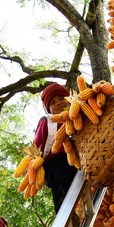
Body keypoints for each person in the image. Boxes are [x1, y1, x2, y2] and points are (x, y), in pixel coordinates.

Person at [33, 82, 78, 212]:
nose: (58, 103)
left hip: (81, 160)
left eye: (61, 98)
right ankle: (67, 214)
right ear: (49, 110)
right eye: (52, 102)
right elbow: (38, 147)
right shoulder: (47, 122)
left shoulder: (80, 113)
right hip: (58, 166)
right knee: (61, 176)